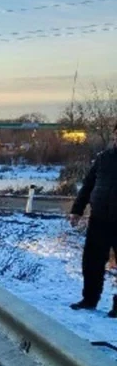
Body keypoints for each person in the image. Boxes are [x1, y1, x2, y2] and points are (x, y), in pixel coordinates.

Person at [69, 122, 117, 318]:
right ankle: (89, 299)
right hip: (99, 219)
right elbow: (88, 185)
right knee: (91, 262)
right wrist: (77, 210)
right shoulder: (104, 159)